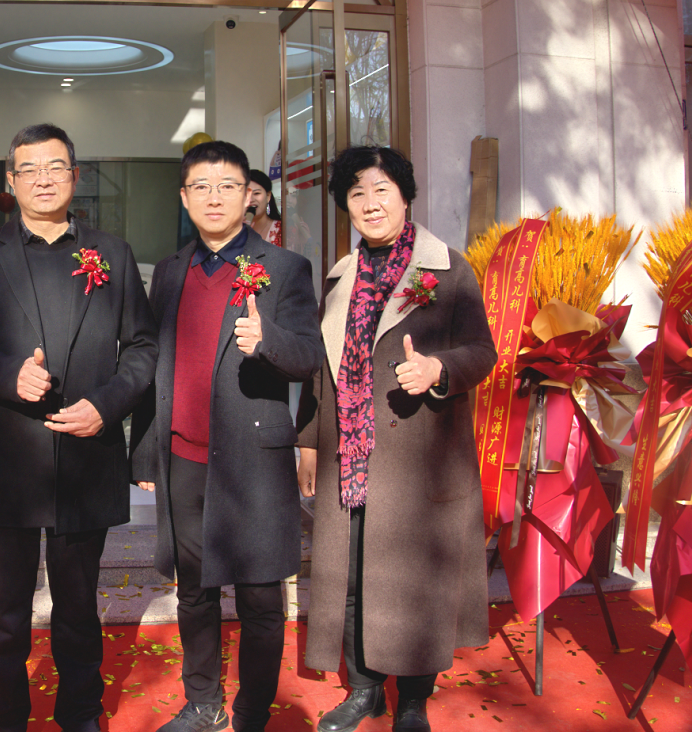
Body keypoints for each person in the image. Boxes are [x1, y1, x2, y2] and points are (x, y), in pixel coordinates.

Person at [0, 123, 158, 732]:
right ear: (11, 180)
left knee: (78, 609)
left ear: (75, 176)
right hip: (5, 460)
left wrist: (107, 406)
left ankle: (81, 714)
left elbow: (143, 346)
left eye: (55, 167)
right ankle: (6, 718)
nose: (43, 179)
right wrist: (7, 374)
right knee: (5, 613)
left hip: (84, 454)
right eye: (30, 169)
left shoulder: (112, 253)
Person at [295, 146, 496, 732]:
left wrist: (438, 369)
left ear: (406, 196)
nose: (370, 203)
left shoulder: (449, 269)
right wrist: (308, 441)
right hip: (349, 458)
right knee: (351, 572)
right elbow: (321, 372)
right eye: (357, 193)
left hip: (419, 459)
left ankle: (413, 700)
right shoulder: (340, 277)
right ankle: (364, 691)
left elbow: (483, 351)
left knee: (414, 582)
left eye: (382, 189)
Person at [131, 141, 324, 732]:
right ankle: (203, 703)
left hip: (254, 460)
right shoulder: (170, 271)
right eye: (202, 186)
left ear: (248, 196)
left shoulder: (285, 268)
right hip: (183, 459)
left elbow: (309, 356)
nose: (214, 197)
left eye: (227, 186)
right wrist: (145, 450)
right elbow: (154, 364)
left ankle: (251, 713)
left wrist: (267, 341)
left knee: (261, 598)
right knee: (194, 591)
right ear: (184, 196)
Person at [245, 169, 283, 247]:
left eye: (256, 193)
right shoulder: (233, 231)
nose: (251, 199)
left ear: (268, 196)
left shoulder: (282, 230)